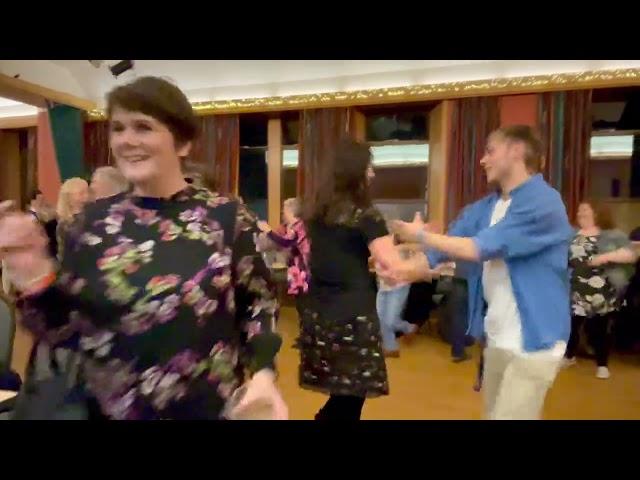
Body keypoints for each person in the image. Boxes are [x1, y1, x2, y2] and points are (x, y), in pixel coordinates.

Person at [0, 76, 287, 420]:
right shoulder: (90, 223)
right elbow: (66, 332)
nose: (127, 140)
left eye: (143, 127)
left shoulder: (226, 219)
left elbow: (259, 304)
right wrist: (33, 275)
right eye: (118, 128)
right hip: (109, 412)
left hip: (206, 410)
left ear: (182, 143)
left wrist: (264, 375)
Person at [393, 125, 574, 420]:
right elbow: (443, 249)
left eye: (490, 151)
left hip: (536, 341)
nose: (482, 160)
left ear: (516, 150)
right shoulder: (485, 208)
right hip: (498, 337)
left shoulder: (544, 202)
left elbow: (480, 248)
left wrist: (422, 236)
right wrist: (402, 270)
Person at [299, 138, 431, 420]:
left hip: (319, 312)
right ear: (354, 171)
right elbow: (394, 266)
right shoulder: (366, 215)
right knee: (351, 398)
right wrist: (419, 236)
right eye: (368, 168)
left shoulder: (317, 211)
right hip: (352, 316)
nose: (372, 174)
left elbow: (337, 255)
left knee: (343, 394)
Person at [564, 201, 634, 379]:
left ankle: (602, 365)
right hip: (576, 287)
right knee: (572, 325)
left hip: (602, 289)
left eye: (585, 210)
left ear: (596, 213)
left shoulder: (611, 235)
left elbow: (630, 255)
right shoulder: (572, 235)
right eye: (579, 210)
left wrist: (604, 257)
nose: (580, 213)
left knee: (600, 328)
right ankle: (569, 356)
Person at [257, 198, 310, 316]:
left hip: (303, 271)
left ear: (290, 211)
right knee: (300, 304)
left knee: (303, 305)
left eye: (284, 210)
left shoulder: (298, 227)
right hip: (298, 271)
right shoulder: (293, 226)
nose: (283, 213)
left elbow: (285, 242)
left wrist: (268, 230)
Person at [374, 226, 420, 358]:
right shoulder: (377, 245)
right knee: (380, 318)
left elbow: (415, 259)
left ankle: (409, 328)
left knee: (390, 320)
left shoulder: (403, 247)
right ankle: (391, 347)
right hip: (383, 287)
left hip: (399, 287)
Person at [55, 177, 90, 260]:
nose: (87, 196)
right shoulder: (64, 225)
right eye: (81, 193)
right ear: (69, 197)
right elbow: (63, 254)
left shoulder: (93, 215)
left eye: (88, 192)